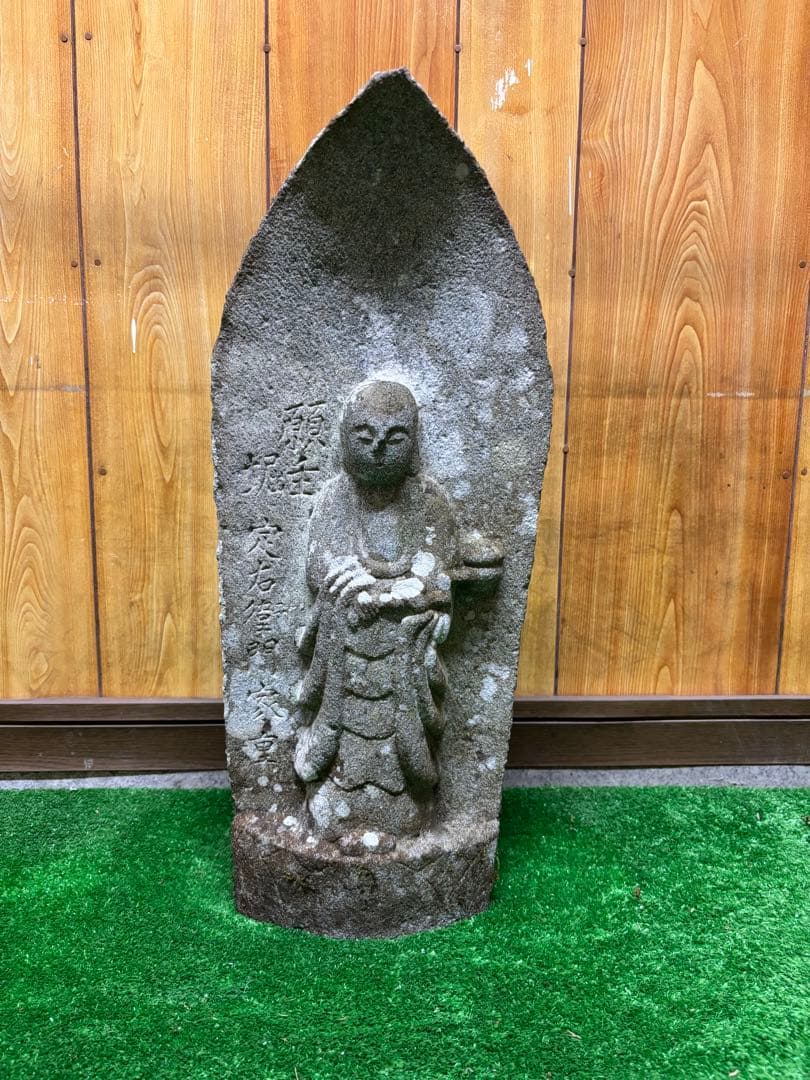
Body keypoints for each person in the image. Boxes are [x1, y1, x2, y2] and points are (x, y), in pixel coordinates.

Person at [293, 379, 459, 848]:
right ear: (345, 438)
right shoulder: (333, 498)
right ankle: (337, 797)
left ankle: (403, 804)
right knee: (343, 730)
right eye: (364, 436)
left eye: (395, 437)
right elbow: (319, 570)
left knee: (401, 736)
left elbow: (440, 576)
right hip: (346, 647)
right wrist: (356, 586)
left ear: (414, 441)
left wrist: (395, 594)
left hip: (406, 648)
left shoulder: (430, 502)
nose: (379, 448)